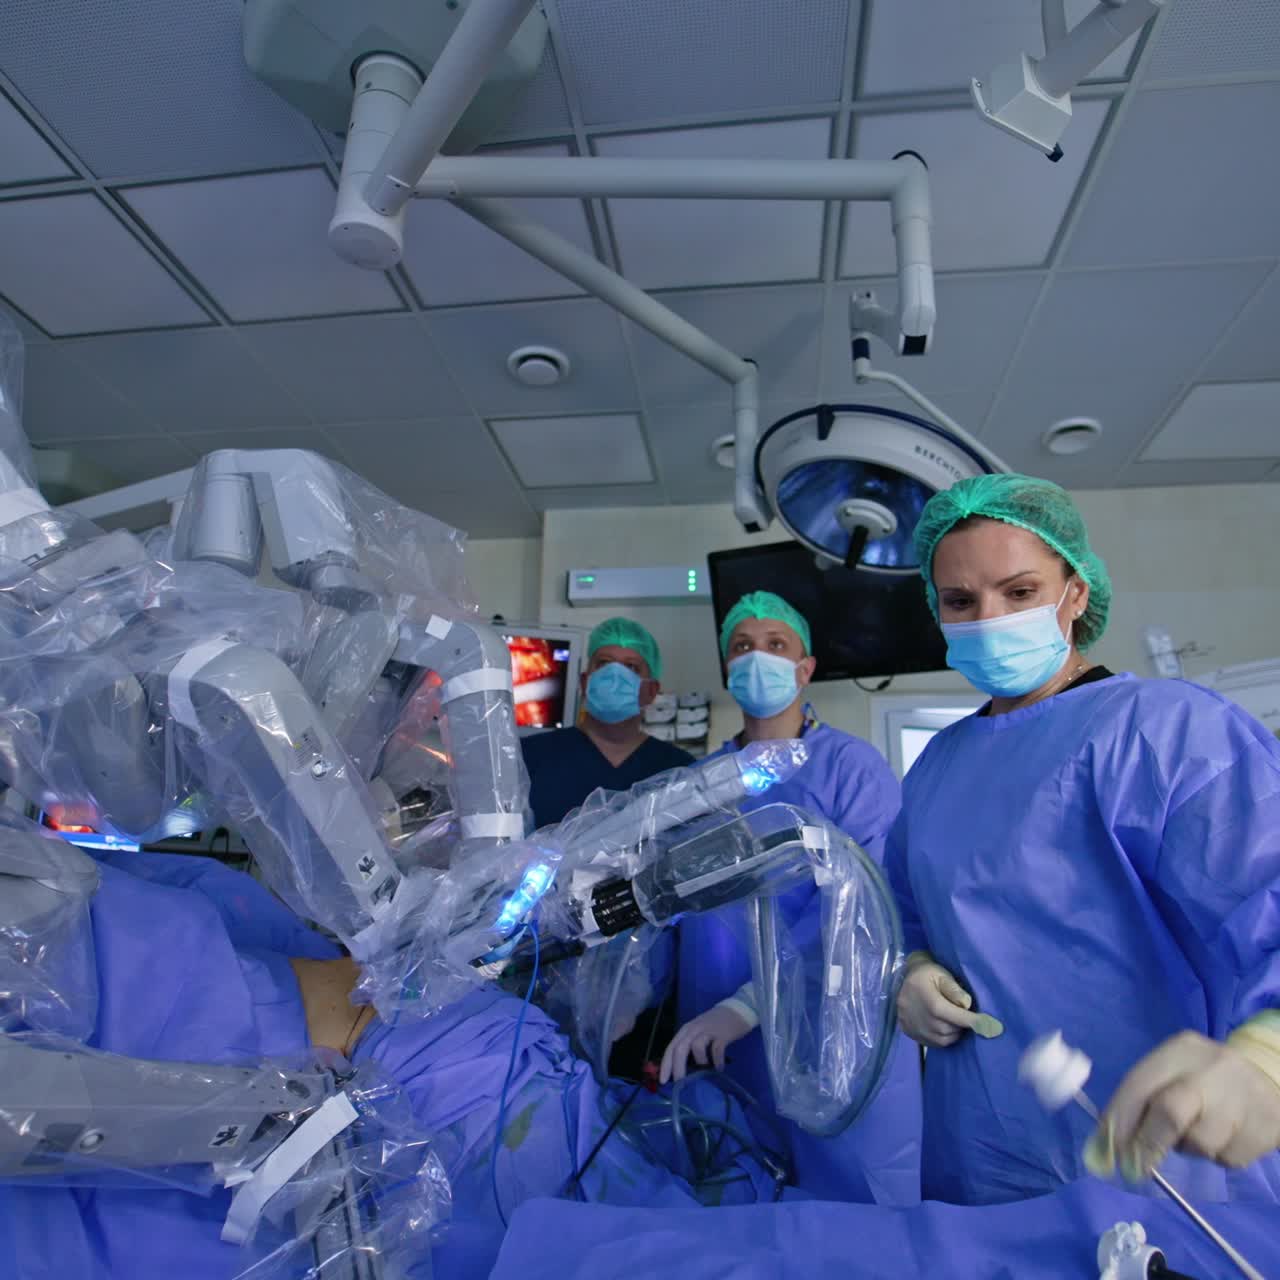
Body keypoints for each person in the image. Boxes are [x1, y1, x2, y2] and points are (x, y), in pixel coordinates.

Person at [885, 472, 1280, 1207]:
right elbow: (907, 910)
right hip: (978, 1153)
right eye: (961, 602)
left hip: (1158, 1158)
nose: (989, 617)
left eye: (1020, 591)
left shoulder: (1164, 731)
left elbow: (1270, 900)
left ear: (1075, 593)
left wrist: (1269, 1060)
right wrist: (910, 969)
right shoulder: (938, 767)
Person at [660, 590, 923, 1205]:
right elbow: (674, 910)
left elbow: (869, 905)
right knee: (738, 1201)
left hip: (836, 1034)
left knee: (848, 1218)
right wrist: (629, 991)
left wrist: (752, 1003)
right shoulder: (700, 787)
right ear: (728, 668)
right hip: (714, 1037)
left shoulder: (852, 769)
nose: (759, 658)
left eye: (776, 645)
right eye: (743, 646)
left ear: (805, 669)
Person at [521, 617, 692, 829]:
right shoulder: (530, 757)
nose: (615, 675)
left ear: (651, 691)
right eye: (603, 663)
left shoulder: (677, 770)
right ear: (585, 682)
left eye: (631, 667)